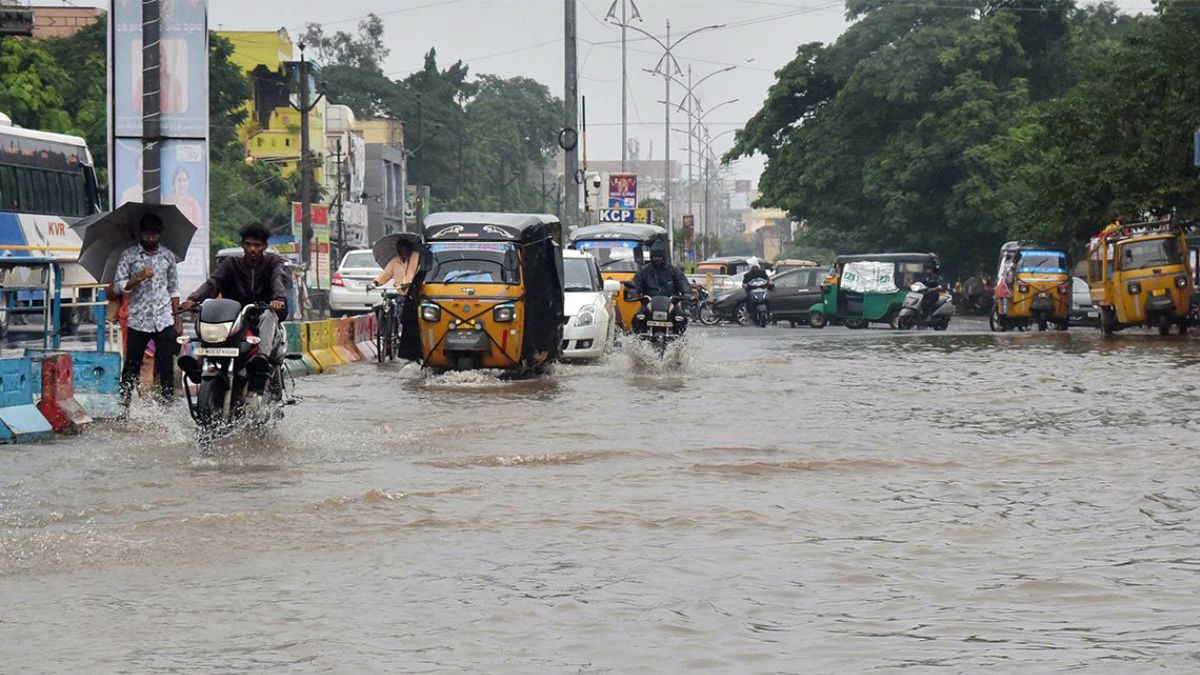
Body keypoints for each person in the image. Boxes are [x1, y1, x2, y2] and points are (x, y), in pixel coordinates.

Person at [180, 223, 287, 394]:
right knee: (207, 310)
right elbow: (213, 282)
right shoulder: (231, 264)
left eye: (257, 245)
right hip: (234, 318)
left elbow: (278, 281)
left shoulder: (273, 262)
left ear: (264, 247)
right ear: (242, 245)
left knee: (268, 315)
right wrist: (193, 299)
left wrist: (278, 299)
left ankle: (261, 361)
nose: (252, 249)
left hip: (261, 316)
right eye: (248, 244)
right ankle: (197, 362)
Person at [114, 213, 181, 409]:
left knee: (166, 365)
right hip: (138, 319)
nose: (150, 239)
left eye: (154, 235)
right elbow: (119, 286)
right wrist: (138, 278)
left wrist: (177, 320)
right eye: (147, 234)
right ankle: (124, 406)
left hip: (163, 318)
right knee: (132, 366)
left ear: (159, 234)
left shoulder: (168, 256)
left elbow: (174, 288)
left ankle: (167, 406)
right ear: (141, 234)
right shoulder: (129, 256)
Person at [631, 242, 693, 330]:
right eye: (654, 256)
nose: (657, 259)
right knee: (637, 319)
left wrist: (686, 292)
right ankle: (638, 340)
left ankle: (679, 341)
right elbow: (636, 282)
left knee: (681, 319)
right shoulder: (644, 271)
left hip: (671, 303)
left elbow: (681, 281)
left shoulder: (673, 270)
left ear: (664, 257)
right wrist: (633, 291)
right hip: (648, 303)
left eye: (660, 257)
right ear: (651, 257)